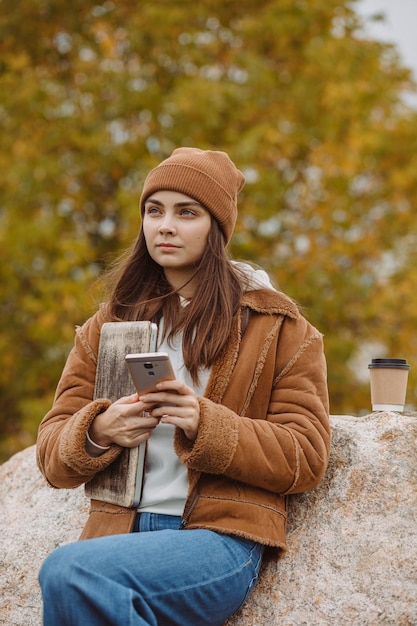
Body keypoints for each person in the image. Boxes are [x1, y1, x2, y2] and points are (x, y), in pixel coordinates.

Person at [37, 147, 330, 626]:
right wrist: (100, 429)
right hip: (118, 533)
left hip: (216, 540)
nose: (165, 226)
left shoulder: (279, 328)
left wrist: (204, 422)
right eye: (154, 211)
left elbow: (306, 456)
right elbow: (51, 454)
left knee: (69, 572)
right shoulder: (108, 324)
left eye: (186, 213)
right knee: (76, 575)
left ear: (217, 229)